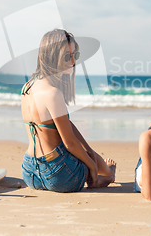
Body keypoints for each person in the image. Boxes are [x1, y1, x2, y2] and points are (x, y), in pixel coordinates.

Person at [21, 29, 116, 192]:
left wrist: (88, 150)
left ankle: (105, 170)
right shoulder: (53, 93)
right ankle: (103, 178)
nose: (73, 61)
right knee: (93, 164)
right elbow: (70, 143)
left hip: (30, 171)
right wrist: (92, 165)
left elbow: (64, 124)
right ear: (51, 56)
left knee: (88, 153)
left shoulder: (28, 86)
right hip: (58, 175)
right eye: (67, 56)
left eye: (75, 55)